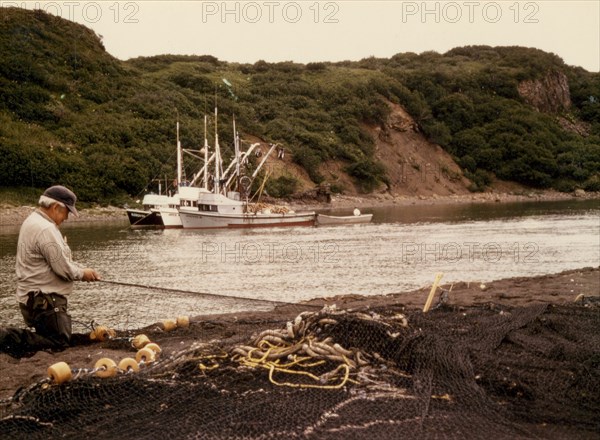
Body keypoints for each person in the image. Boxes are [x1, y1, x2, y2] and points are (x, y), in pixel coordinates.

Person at [1, 185, 101, 355]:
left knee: (49, 338)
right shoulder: (46, 229)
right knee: (59, 343)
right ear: (55, 207)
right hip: (45, 300)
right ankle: (4, 336)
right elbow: (64, 269)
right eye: (67, 212)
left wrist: (80, 269)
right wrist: (84, 273)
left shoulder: (32, 220)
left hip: (32, 299)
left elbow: (56, 262)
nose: (67, 217)